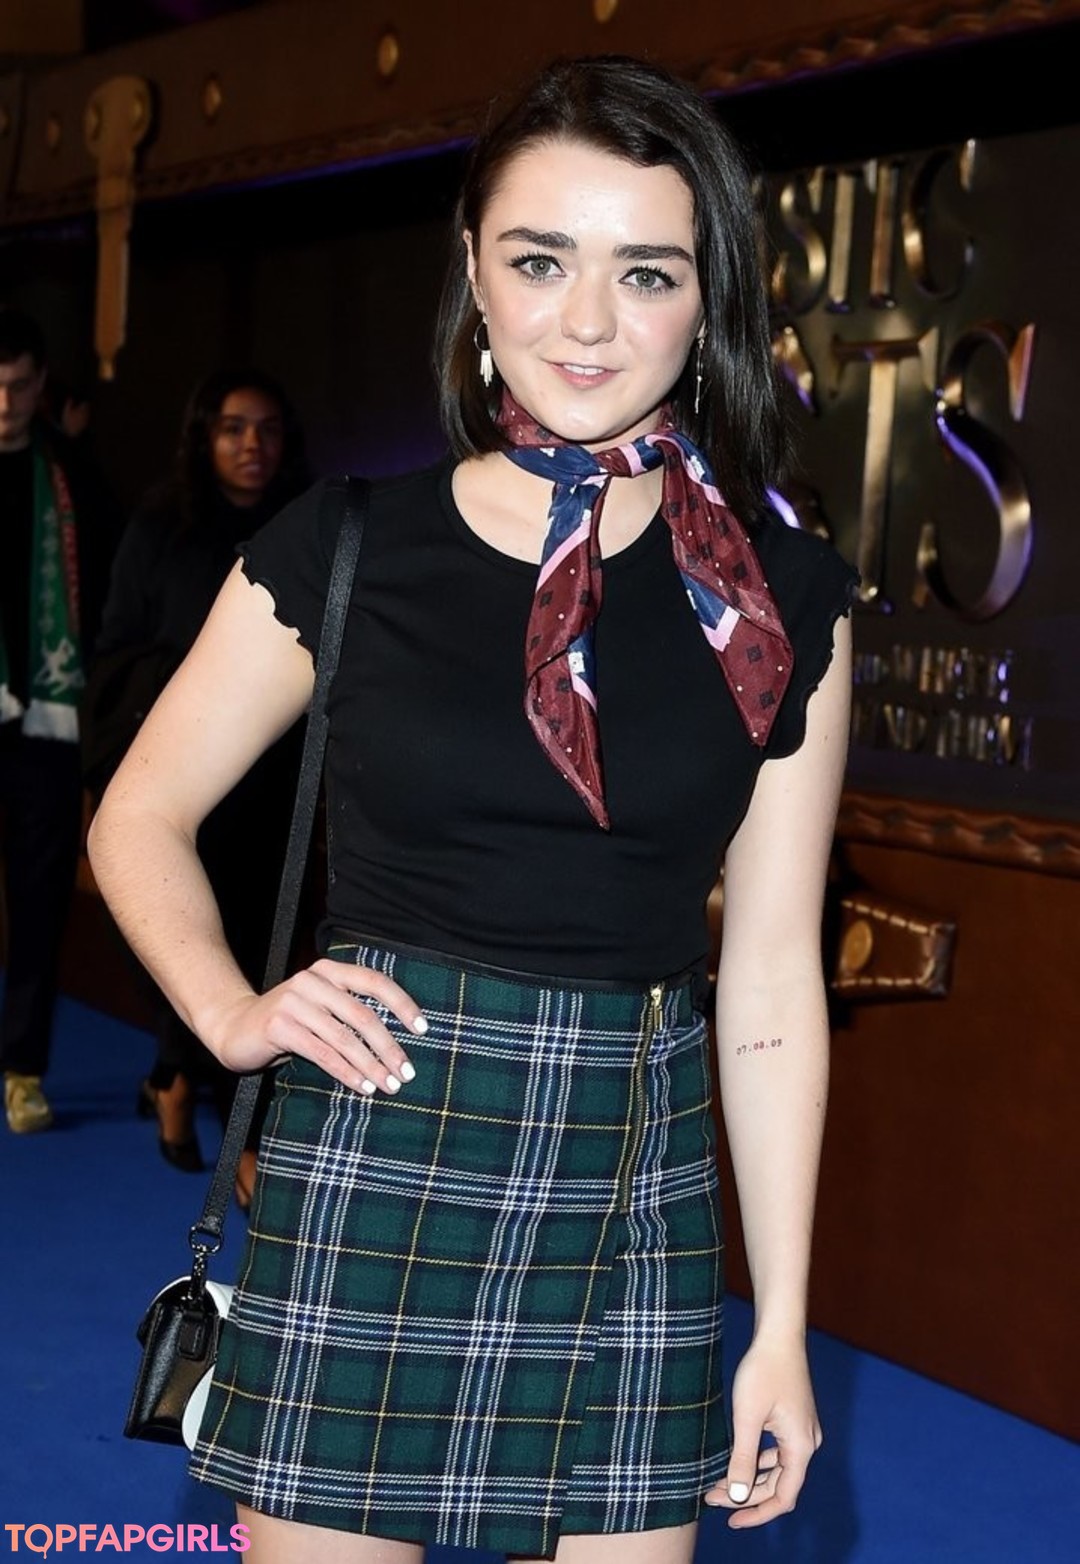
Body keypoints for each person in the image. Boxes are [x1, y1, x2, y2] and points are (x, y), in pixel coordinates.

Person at [89, 54, 857, 1564]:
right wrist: (230, 1012)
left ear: (709, 297)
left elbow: (771, 982)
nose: (589, 322)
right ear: (475, 270)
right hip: (378, 1147)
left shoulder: (784, 605)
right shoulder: (346, 546)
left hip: (636, 1178)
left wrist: (780, 1324)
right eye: (541, 260)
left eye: (646, 272)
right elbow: (139, 814)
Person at [86, 368, 310, 1188]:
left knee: (258, 943)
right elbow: (116, 647)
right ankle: (181, 1077)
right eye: (233, 428)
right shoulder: (161, 527)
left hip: (276, 782)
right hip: (180, 772)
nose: (253, 445)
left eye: (268, 429)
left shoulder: (307, 530)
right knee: (180, 929)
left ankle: (204, 1100)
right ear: (203, 436)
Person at [0, 305, 119, 1134]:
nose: (3, 403)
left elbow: (111, 594)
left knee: (40, 899)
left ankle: (22, 1067)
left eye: (16, 385)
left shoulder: (73, 476)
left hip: (46, 721)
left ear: (40, 384)